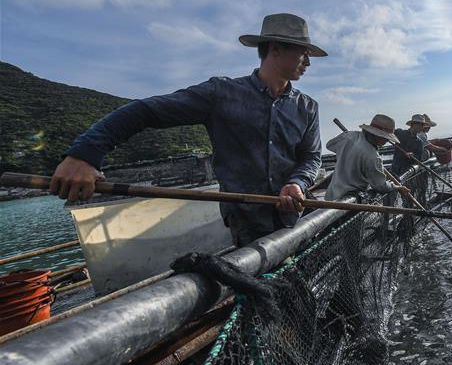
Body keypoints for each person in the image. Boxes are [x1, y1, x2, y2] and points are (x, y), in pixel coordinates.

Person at [49, 13, 327, 247]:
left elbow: (311, 157)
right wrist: (85, 154)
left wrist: (297, 183)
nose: (309, 62)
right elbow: (147, 111)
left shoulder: (307, 107)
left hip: (294, 217)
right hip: (247, 222)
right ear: (275, 49)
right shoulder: (222, 93)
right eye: (303, 53)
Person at [325, 114, 412, 201]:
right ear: (377, 135)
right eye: (385, 137)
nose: (387, 141)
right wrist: (397, 187)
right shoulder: (373, 157)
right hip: (350, 203)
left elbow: (329, 145)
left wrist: (346, 153)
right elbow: (381, 186)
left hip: (331, 196)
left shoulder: (348, 136)